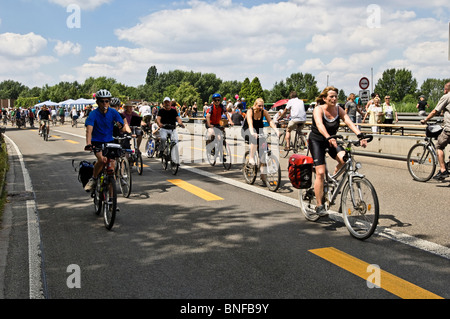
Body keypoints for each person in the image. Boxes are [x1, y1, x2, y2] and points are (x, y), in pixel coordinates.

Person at [309, 86, 367, 217]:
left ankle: (333, 176)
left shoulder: (339, 109)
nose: (334, 99)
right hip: (317, 140)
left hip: (332, 140)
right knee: (320, 172)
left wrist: (360, 135)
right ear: (324, 98)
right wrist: (328, 137)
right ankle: (319, 205)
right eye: (331, 96)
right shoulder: (318, 109)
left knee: (345, 159)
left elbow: (349, 122)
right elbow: (319, 125)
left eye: (335, 96)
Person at [83, 89, 125, 192]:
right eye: (102, 101)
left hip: (109, 141)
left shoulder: (113, 112)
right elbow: (89, 130)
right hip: (97, 142)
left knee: (111, 169)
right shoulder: (93, 114)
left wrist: (120, 126)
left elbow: (122, 126)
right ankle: (93, 178)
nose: (104, 103)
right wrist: (88, 144)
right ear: (97, 102)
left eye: (107, 101)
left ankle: (111, 203)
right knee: (102, 160)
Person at [242, 98, 279, 185]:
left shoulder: (264, 112)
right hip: (247, 130)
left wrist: (276, 130)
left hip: (259, 131)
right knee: (254, 139)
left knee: (264, 153)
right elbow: (250, 123)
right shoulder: (250, 111)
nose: (261, 107)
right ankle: (251, 157)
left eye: (262, 106)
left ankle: (263, 175)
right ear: (255, 105)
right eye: (259, 105)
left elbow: (270, 121)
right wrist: (252, 132)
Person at [421, 82, 450, 180]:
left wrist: (425, 120)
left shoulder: (446, 96)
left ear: (446, 89)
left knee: (439, 146)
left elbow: (435, 111)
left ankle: (443, 170)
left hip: (449, 129)